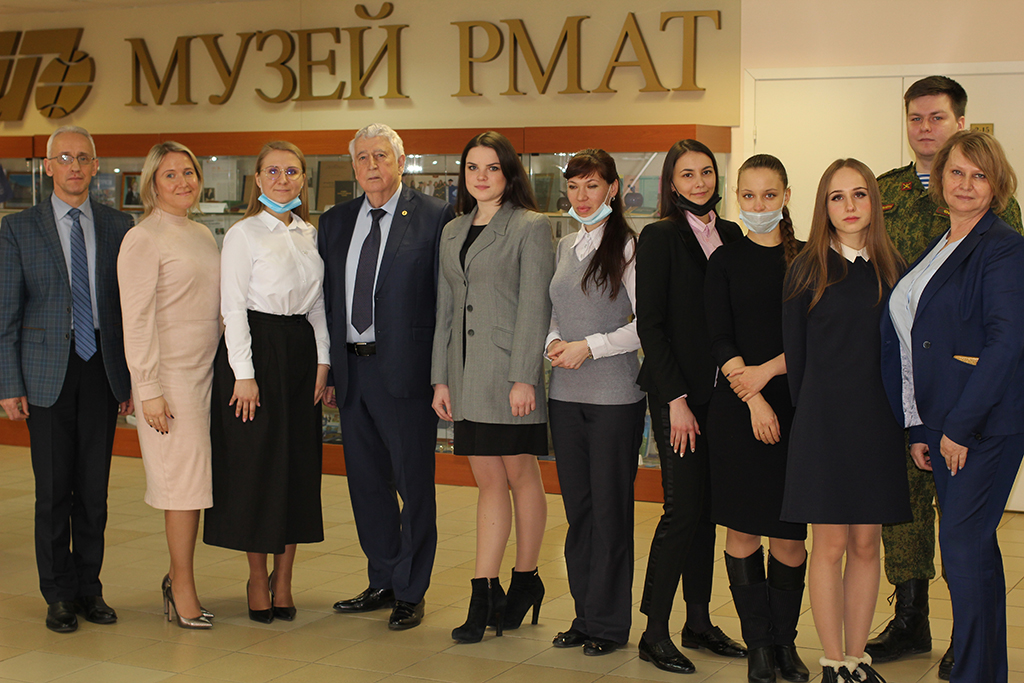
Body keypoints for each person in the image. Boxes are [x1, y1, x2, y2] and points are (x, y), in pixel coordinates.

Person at [870, 75, 1023, 679]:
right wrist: (917, 424)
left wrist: (957, 426)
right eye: (956, 174)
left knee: (963, 546)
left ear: (997, 185)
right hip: (934, 416)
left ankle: (974, 666)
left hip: (977, 422)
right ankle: (981, 666)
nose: (964, 184)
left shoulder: (1002, 243)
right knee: (969, 546)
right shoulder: (941, 239)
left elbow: (1005, 340)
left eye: (978, 176)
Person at [781, 158, 910, 683]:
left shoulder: (894, 268)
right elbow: (796, 358)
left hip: (878, 425)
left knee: (865, 544)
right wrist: (814, 419)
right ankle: (832, 660)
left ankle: (857, 659)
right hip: (824, 425)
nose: (850, 206)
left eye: (859, 194)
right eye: (837, 197)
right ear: (824, 207)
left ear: (874, 202)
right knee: (830, 545)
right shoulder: (806, 268)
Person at [0, 126, 133, 633]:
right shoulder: (18, 228)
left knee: (94, 491)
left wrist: (130, 380)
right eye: (64, 158)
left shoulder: (119, 225)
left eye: (83, 158)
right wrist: (8, 383)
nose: (74, 166)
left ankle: (89, 589)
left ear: (95, 166)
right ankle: (57, 594)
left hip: (102, 368)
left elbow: (128, 311)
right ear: (48, 166)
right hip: (45, 374)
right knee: (54, 491)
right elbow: (6, 314)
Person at [322, 124, 454, 630]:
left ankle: (411, 590)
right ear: (353, 166)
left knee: (414, 484)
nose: (371, 165)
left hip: (406, 374)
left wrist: (441, 376)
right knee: (367, 484)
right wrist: (329, 370)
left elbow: (445, 303)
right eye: (362, 157)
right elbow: (327, 301)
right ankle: (382, 578)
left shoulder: (435, 216)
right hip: (351, 372)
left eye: (381, 155)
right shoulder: (335, 221)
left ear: (401, 161)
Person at [431, 131, 554, 644]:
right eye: (472, 168)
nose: (480, 177)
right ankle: (484, 591)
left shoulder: (530, 227)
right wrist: (440, 377)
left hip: (508, 376)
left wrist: (524, 375)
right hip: (465, 375)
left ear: (509, 173)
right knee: (487, 481)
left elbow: (535, 306)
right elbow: (445, 308)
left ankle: (525, 579)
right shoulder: (453, 229)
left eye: (492, 168)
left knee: (520, 473)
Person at [203, 141, 330, 624]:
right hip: (255, 352)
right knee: (257, 466)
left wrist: (322, 363)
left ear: (303, 179)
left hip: (300, 354)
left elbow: (319, 305)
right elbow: (232, 307)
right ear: (257, 179)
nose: (282, 179)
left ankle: (285, 579)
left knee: (297, 466)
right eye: (272, 171)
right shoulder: (243, 234)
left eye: (291, 171)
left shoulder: (309, 233)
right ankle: (258, 578)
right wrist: (244, 375)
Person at [635, 139, 746, 675]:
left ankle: (698, 622)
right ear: (671, 183)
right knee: (681, 512)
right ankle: (654, 631)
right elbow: (650, 325)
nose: (699, 182)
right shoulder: (659, 236)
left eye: (706, 172)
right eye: (687, 174)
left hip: (723, 395)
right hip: (676, 395)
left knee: (707, 511)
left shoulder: (733, 234)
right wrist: (675, 399)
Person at [704, 154, 808, 683]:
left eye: (769, 195)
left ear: (786, 196)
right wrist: (753, 397)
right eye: (749, 195)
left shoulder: (810, 259)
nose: (759, 204)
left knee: (789, 537)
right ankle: (758, 647)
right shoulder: (724, 260)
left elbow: (815, 337)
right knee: (743, 529)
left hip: (797, 409)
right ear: (737, 199)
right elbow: (718, 335)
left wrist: (766, 376)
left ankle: (785, 643)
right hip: (738, 410)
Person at [545, 149, 645, 656]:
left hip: (614, 397)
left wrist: (591, 347)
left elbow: (645, 324)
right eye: (574, 186)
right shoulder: (565, 245)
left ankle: (608, 624)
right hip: (565, 396)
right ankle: (584, 616)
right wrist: (552, 343)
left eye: (592, 186)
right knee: (579, 511)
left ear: (613, 188)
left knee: (610, 512)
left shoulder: (628, 246)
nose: (582, 196)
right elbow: (554, 312)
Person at [117, 142, 220, 629]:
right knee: (182, 488)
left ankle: (177, 578)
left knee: (196, 486)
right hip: (170, 382)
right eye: (170, 175)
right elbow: (136, 321)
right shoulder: (143, 238)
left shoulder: (201, 233)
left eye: (189, 172)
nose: (183, 182)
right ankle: (181, 587)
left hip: (207, 375)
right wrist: (148, 389)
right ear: (152, 184)